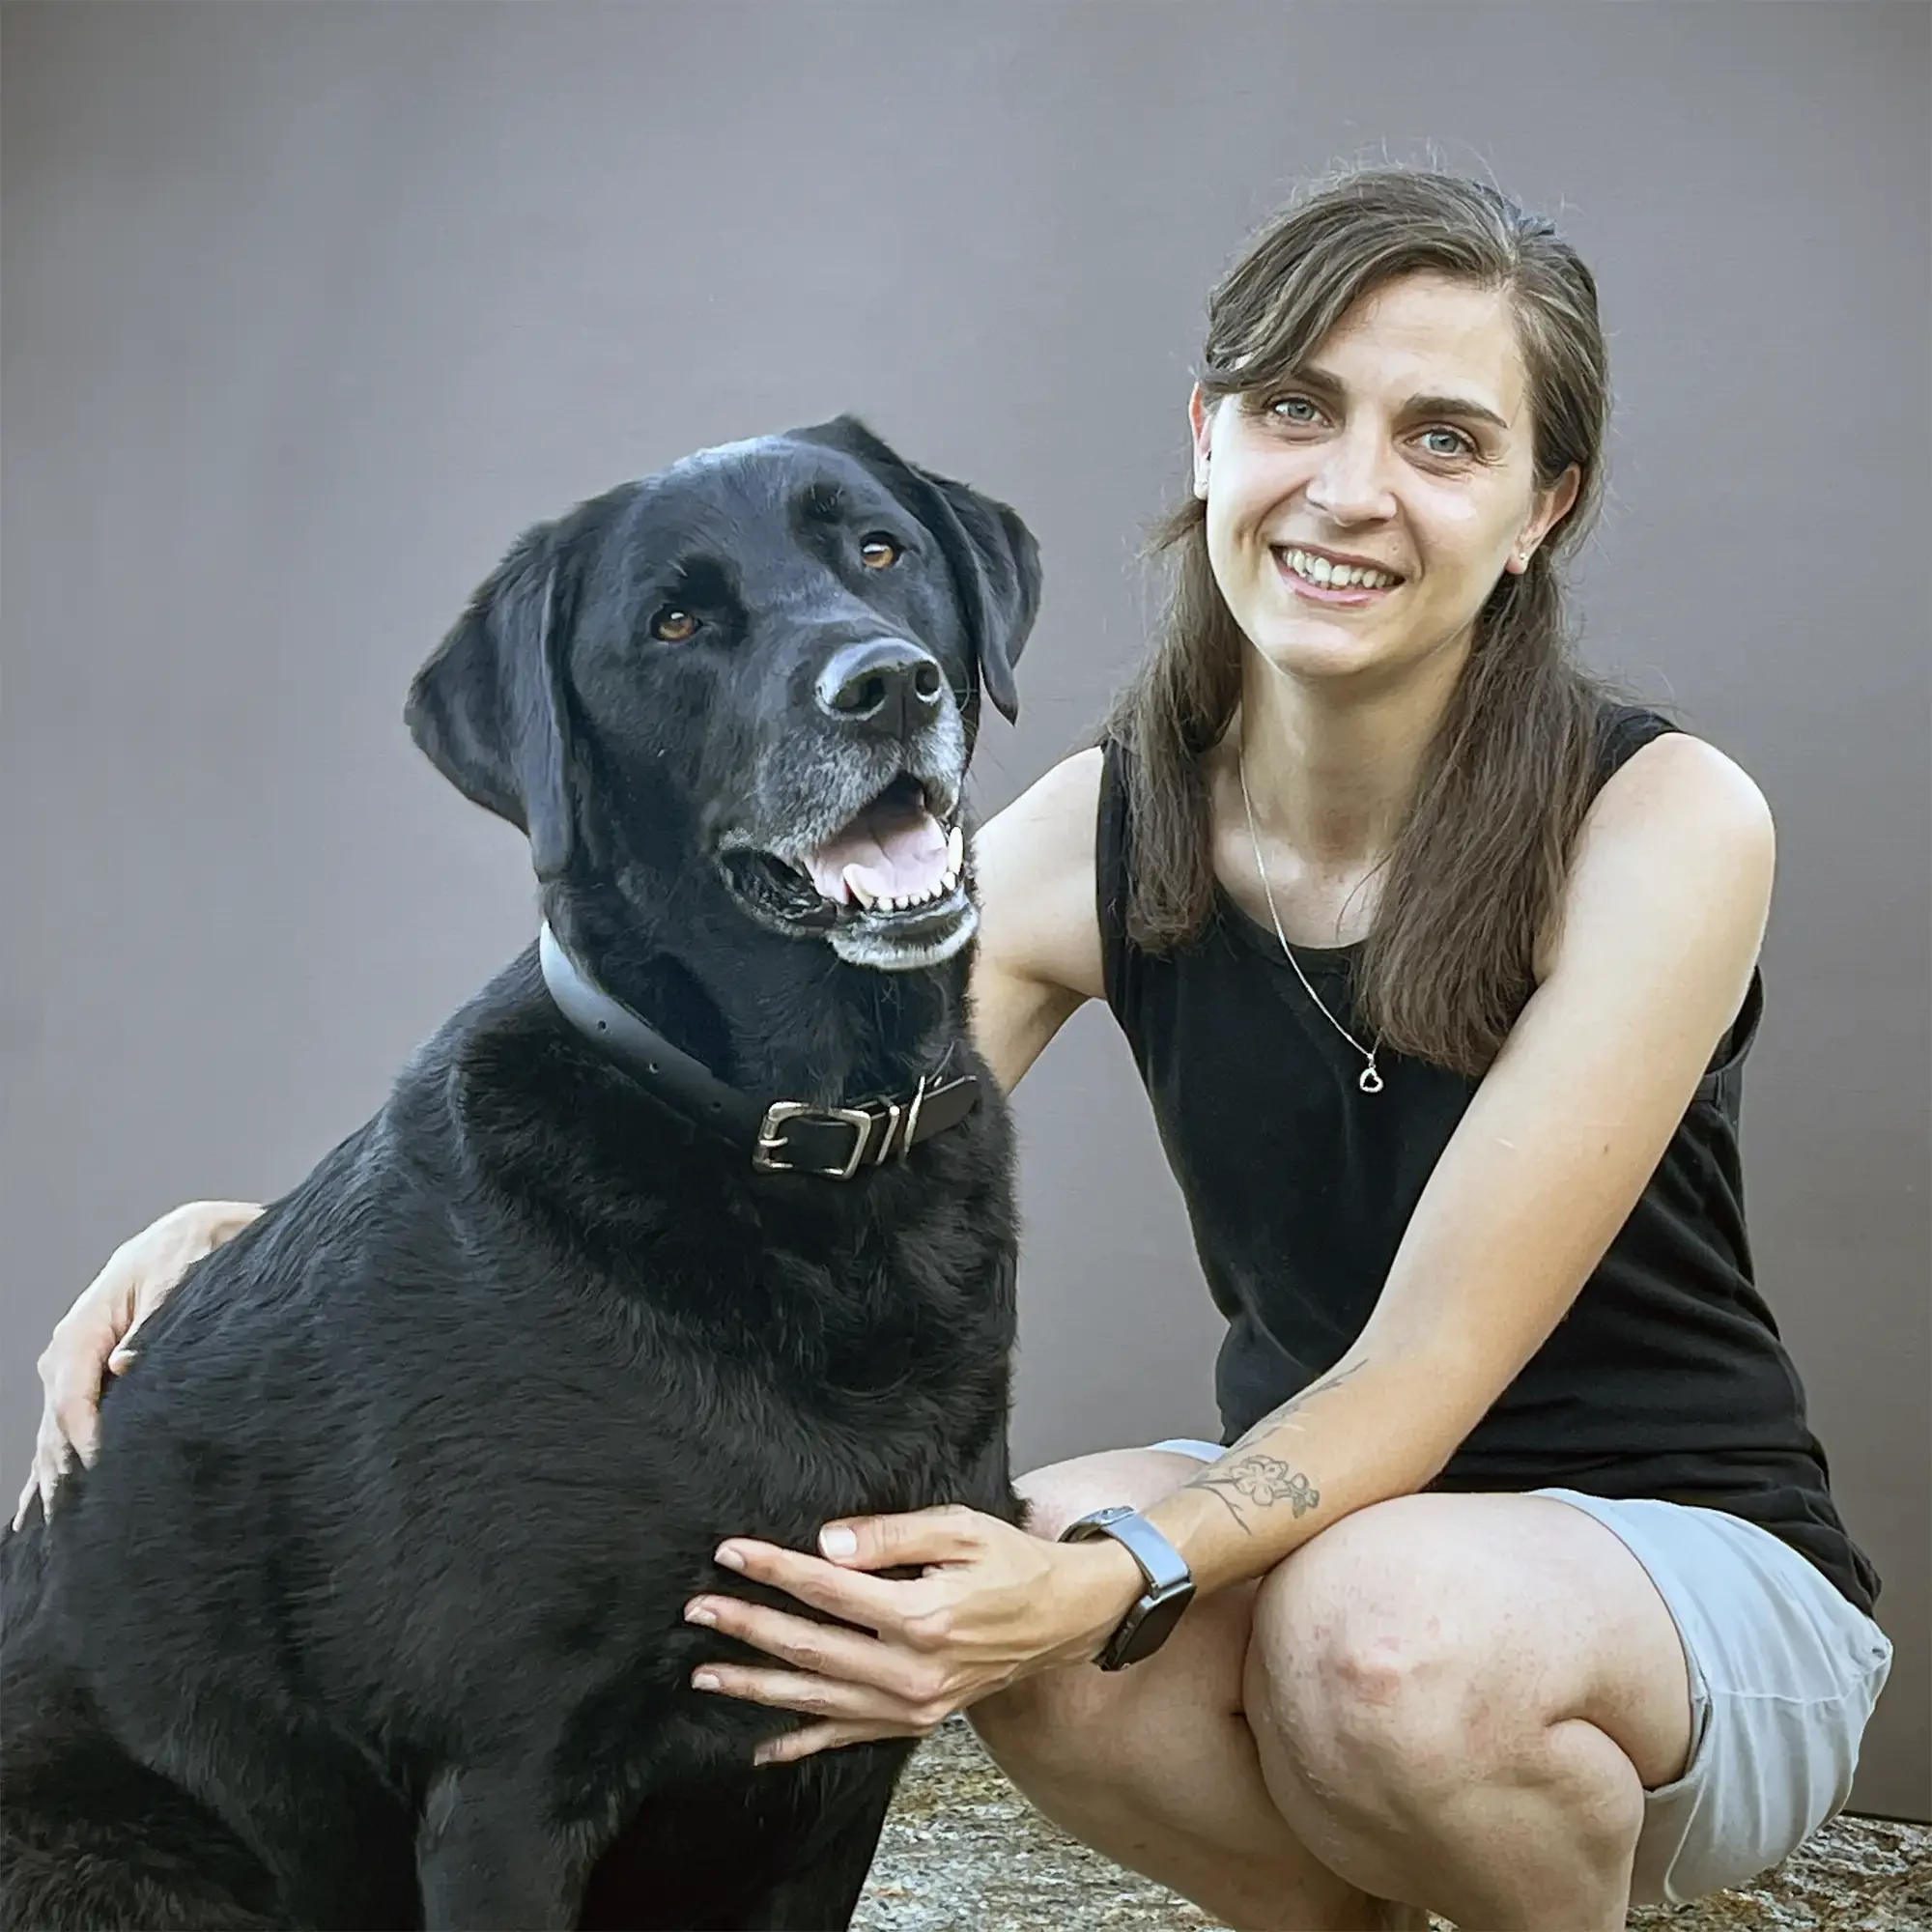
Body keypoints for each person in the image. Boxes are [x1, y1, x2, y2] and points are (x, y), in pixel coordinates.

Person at [14, 171, 1892, 1931]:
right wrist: (276, 1245)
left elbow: (1426, 1362)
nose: (1348, 489)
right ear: (1211, 436)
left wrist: (1090, 1583)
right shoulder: (1111, 829)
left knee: (1346, 1636)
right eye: (1298, 410)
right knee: (926, 1575)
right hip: (1344, 1534)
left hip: (1675, 1570)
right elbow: (722, 1116)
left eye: (1444, 439)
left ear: (1540, 507)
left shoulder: (1654, 818)